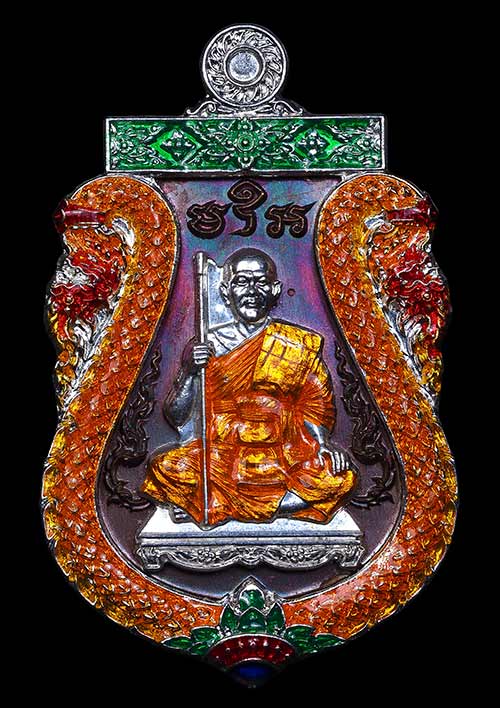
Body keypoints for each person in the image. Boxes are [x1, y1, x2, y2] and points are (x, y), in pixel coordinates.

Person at [141, 248, 356, 526]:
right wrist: (190, 370)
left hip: (282, 453)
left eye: (261, 282)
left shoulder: (297, 343)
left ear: (275, 290)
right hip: (223, 455)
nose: (252, 291)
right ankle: (245, 503)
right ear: (226, 291)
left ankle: (216, 503)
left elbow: (315, 405)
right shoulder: (208, 345)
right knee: (169, 467)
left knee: (336, 476)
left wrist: (323, 445)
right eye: (242, 282)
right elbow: (178, 416)